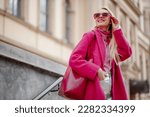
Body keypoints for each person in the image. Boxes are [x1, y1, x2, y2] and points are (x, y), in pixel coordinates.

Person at [68, 7, 132, 100]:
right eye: (97, 15)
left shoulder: (112, 41)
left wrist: (117, 29)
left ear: (111, 20)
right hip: (95, 85)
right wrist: (96, 70)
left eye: (104, 14)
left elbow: (127, 52)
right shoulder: (90, 35)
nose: (100, 16)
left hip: (111, 87)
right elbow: (74, 59)